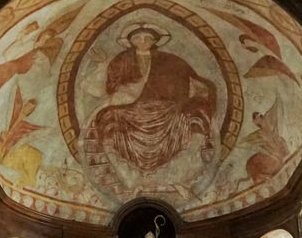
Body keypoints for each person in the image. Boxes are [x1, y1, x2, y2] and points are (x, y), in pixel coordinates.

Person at [88, 23, 216, 172]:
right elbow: (110, 85)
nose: (143, 42)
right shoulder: (122, 59)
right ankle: (123, 168)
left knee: (192, 112)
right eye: (137, 38)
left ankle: (180, 165)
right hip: (131, 107)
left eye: (148, 38)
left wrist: (198, 91)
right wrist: (104, 63)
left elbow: (188, 80)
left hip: (165, 107)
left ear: (155, 41)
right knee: (108, 116)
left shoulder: (170, 60)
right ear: (130, 41)